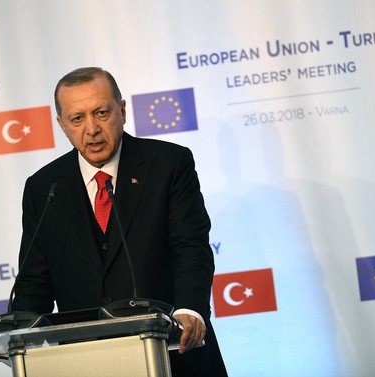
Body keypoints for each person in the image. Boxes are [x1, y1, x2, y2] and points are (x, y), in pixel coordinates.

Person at [12, 67, 228, 376]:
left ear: (122, 110)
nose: (92, 129)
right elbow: (34, 279)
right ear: (62, 125)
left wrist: (190, 309)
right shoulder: (43, 187)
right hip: (88, 362)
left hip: (174, 353)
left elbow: (190, 247)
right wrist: (20, 333)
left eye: (101, 113)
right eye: (77, 119)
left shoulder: (168, 164)